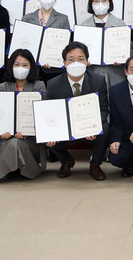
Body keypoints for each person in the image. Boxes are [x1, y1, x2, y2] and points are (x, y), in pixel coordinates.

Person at [44, 42, 110, 180]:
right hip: (65, 126)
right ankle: (66, 161)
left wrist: (93, 126)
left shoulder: (98, 81)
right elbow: (49, 113)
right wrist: (51, 132)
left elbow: (103, 109)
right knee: (46, 133)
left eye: (80, 59)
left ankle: (95, 164)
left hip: (89, 125)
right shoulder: (53, 84)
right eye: (71, 59)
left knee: (105, 127)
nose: (76, 63)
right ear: (64, 63)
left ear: (87, 61)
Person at [0, 49, 47, 182]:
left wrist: (27, 131)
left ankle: (14, 169)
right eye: (16, 65)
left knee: (16, 143)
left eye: (25, 65)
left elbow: (42, 114)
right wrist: (6, 131)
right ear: (11, 66)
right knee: (13, 142)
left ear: (31, 67)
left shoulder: (39, 86)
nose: (20, 68)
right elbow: (0, 113)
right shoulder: (3, 87)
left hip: (32, 137)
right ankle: (15, 168)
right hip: (8, 136)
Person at [79, 0, 129, 88]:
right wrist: (82, 60)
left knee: (115, 96)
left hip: (115, 73)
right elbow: (78, 50)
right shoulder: (84, 26)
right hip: (92, 72)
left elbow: (129, 48)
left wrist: (123, 59)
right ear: (91, 4)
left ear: (110, 3)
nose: (100, 4)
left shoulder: (120, 23)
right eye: (96, 1)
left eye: (104, 0)